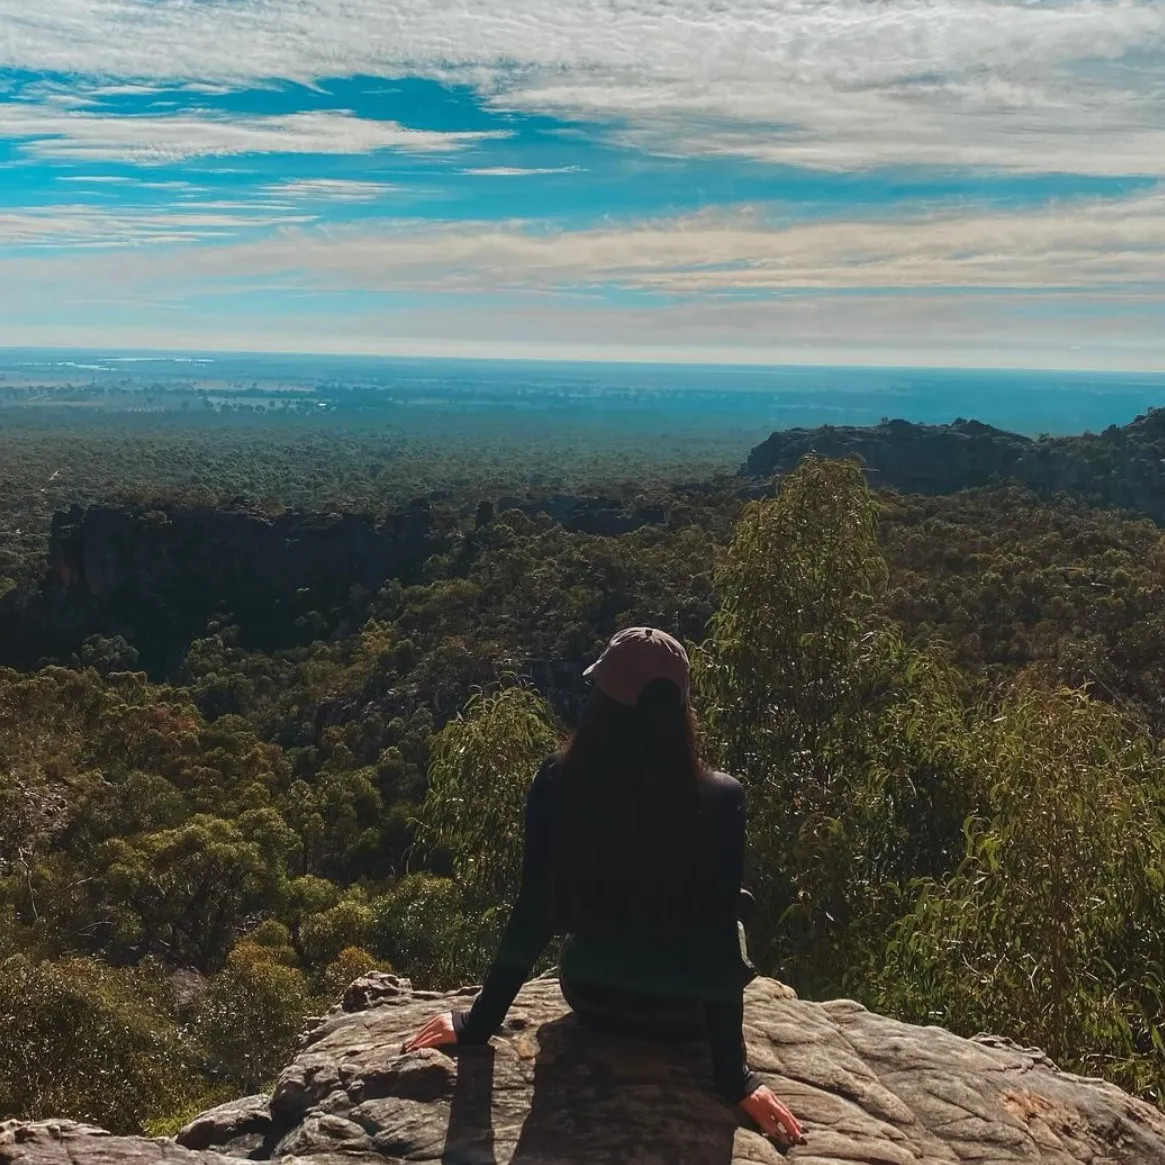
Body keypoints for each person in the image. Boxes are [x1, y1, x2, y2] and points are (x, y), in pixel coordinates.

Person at [402, 627, 805, 1147]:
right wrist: (735, 1079)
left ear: (601, 702)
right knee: (732, 918)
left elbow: (532, 915)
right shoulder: (720, 799)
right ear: (679, 707)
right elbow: (717, 948)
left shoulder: (555, 783)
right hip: (682, 1017)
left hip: (593, 997)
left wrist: (477, 1024)